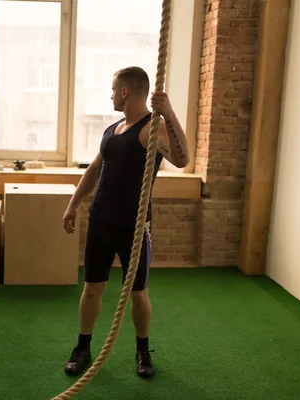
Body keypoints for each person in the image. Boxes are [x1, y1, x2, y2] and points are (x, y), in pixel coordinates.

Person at [61, 66, 190, 378]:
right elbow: (94, 170)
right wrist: (73, 204)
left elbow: (182, 159)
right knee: (91, 289)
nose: (110, 94)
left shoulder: (151, 129)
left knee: (137, 295)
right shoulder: (113, 130)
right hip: (100, 222)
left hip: (133, 228)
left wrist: (169, 111)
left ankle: (143, 351)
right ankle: (83, 346)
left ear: (125, 91)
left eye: (113, 88)